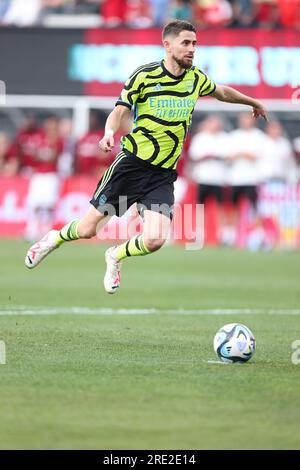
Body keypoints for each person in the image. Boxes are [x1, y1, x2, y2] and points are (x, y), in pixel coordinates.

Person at [25, 19, 268, 294]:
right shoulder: (145, 75)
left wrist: (253, 101)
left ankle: (115, 256)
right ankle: (53, 238)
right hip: (131, 166)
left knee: (154, 240)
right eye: (185, 43)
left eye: (194, 44)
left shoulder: (196, 78)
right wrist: (108, 133)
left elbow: (221, 91)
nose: (191, 49)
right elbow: (119, 111)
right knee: (87, 230)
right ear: (167, 44)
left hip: (162, 175)